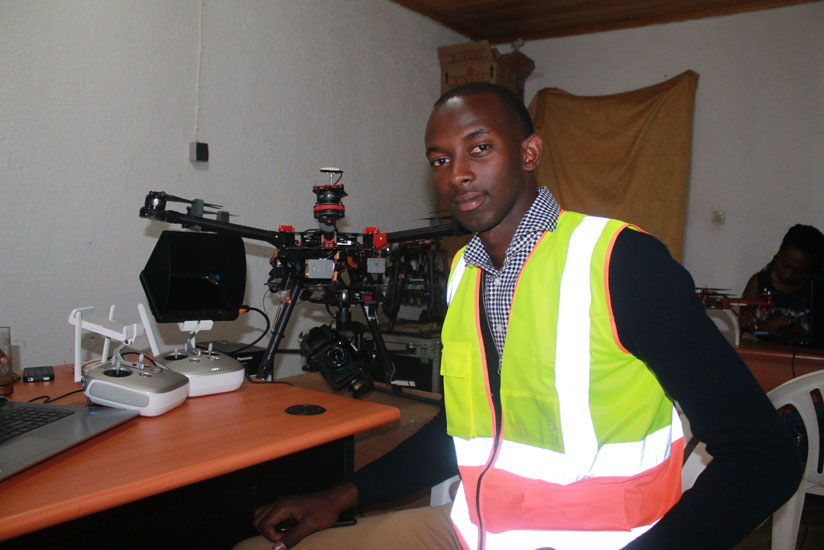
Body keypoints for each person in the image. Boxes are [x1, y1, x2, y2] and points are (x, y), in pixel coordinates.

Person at [236, 83, 802, 550]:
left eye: (478, 148)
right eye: (440, 159)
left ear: (529, 153)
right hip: (475, 533)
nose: (456, 173)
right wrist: (340, 496)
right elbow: (465, 428)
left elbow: (763, 457)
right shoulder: (466, 271)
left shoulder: (619, 263)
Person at [739, 224, 824, 339]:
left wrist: (790, 322)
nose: (789, 275)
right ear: (779, 254)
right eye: (785, 266)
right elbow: (746, 330)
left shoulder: (816, 288)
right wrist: (745, 319)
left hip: (805, 355)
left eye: (800, 272)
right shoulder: (759, 282)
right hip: (764, 352)